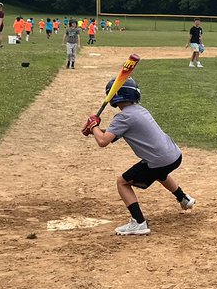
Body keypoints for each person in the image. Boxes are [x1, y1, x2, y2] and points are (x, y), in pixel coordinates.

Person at [82, 77, 194, 236]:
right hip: (174, 155)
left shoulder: (123, 117)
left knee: (122, 182)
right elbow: (111, 134)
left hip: (159, 160)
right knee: (158, 172)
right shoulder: (140, 110)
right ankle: (184, 199)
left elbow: (102, 141)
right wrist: (96, 129)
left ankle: (138, 222)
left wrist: (93, 127)